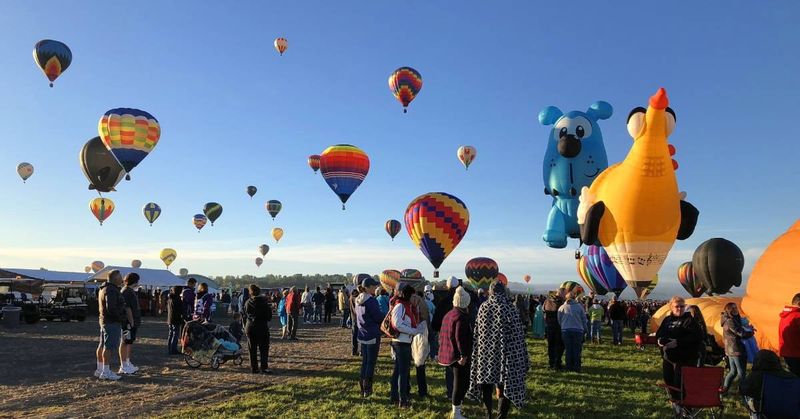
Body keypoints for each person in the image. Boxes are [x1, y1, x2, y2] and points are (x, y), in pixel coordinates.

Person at [467, 281, 529, 419]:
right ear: (503, 291)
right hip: (505, 355)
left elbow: (477, 332)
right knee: (504, 384)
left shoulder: (483, 307)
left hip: (485, 355)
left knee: (486, 384)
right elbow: (518, 335)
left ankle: (488, 414)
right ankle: (501, 416)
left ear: (490, 291)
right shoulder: (509, 308)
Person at [656, 296, 704, 409]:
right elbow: (659, 333)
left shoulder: (690, 321)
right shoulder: (667, 320)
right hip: (668, 357)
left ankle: (686, 408)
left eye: (682, 306)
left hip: (685, 358)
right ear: (671, 307)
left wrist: (677, 342)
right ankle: (675, 402)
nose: (679, 309)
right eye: (677, 306)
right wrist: (659, 340)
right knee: (669, 380)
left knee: (681, 384)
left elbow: (697, 338)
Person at [438, 286, 472, 419]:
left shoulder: (449, 314)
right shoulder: (461, 317)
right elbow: (459, 337)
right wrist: (463, 355)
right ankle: (456, 412)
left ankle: (457, 408)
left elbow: (443, 334)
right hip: (457, 355)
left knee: (458, 382)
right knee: (460, 383)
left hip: (448, 352)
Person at [389, 284, 424, 409]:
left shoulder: (404, 305)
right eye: (412, 295)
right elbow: (397, 324)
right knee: (403, 373)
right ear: (407, 295)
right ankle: (402, 400)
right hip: (401, 342)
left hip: (402, 341)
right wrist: (412, 331)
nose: (414, 297)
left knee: (398, 371)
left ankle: (394, 397)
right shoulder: (400, 306)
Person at [740, 349, 797, 416]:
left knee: (752, 401)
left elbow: (743, 389)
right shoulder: (793, 377)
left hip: (768, 413)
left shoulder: (757, 376)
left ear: (757, 362)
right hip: (793, 412)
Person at [355, 276, 383, 398]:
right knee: (371, 362)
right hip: (372, 333)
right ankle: (367, 388)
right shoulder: (371, 301)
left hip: (362, 334)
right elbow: (377, 317)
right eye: (374, 286)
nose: (376, 288)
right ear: (369, 287)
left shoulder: (358, 300)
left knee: (365, 361)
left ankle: (362, 386)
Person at [95, 270, 125, 380]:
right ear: (115, 278)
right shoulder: (111, 290)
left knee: (102, 345)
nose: (122, 278)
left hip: (104, 320)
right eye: (120, 276)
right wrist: (120, 317)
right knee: (109, 347)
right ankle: (106, 371)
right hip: (111, 322)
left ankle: (100, 369)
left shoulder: (103, 289)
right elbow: (111, 308)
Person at [433, 276, 460, 396]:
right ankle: (459, 390)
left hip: (445, 335)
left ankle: (450, 391)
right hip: (459, 335)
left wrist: (439, 330)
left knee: (448, 362)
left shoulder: (443, 301)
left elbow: (435, 322)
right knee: (459, 363)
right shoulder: (461, 301)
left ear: (447, 286)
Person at [721, 302, 754, 394]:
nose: (735, 310)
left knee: (733, 371)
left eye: (736, 308)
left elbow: (739, 328)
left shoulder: (728, 319)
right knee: (741, 373)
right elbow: (740, 333)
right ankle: (743, 392)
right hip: (736, 350)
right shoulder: (730, 321)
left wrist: (747, 327)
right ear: (728, 310)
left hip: (730, 349)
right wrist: (751, 333)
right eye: (732, 308)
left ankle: (724, 389)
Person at [244, 284, 272, 374]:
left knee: (252, 349)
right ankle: (264, 367)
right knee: (263, 348)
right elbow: (269, 317)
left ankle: (254, 368)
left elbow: (245, 314)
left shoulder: (248, 302)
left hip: (250, 327)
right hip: (261, 326)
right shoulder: (264, 302)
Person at [558, 289, 586, 372]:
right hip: (578, 330)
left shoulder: (562, 307)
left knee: (568, 349)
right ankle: (577, 367)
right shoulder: (579, 307)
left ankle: (568, 366)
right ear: (574, 297)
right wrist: (585, 329)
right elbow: (584, 319)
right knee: (577, 349)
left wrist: (563, 326)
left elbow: (559, 319)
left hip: (566, 330)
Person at [119, 273, 142, 375]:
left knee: (129, 342)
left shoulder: (127, 290)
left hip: (130, 321)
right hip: (128, 322)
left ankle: (127, 363)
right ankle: (124, 365)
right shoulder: (127, 291)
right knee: (126, 341)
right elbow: (128, 308)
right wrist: (131, 321)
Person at [410, 289, 431, 399]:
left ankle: (406, 389)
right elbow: (426, 318)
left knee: (406, 367)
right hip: (420, 333)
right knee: (420, 365)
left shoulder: (407, 304)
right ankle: (422, 391)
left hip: (410, 335)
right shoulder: (422, 302)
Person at [543, 288, 566, 369]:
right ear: (561, 293)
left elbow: (544, 311)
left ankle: (551, 362)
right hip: (558, 326)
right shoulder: (561, 302)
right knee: (559, 345)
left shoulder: (547, 301)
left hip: (549, 325)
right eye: (564, 294)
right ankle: (557, 363)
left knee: (551, 345)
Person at [779, 292, 800, 375]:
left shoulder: (785, 315)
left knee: (793, 376)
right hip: (796, 353)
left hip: (786, 353)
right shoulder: (797, 316)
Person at [166, 286, 184, 355]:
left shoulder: (170, 298)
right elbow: (180, 309)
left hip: (170, 318)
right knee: (175, 335)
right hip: (176, 319)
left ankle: (170, 348)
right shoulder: (177, 298)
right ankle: (173, 349)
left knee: (170, 334)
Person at [349, 287, 361, 356]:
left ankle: (354, 351)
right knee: (360, 335)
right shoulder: (356, 299)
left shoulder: (351, 298)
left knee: (354, 335)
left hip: (353, 318)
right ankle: (360, 351)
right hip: (358, 319)